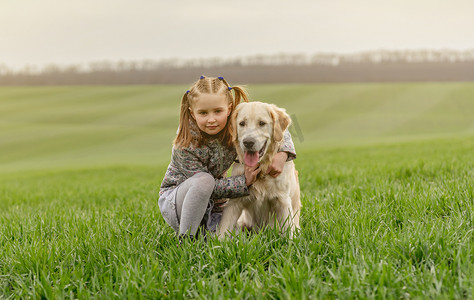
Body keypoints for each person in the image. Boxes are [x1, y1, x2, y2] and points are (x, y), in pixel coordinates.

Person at [158, 75, 296, 239]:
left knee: (237, 241)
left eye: (217, 111)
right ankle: (186, 238)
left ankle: (205, 235)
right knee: (204, 181)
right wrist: (243, 182)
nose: (211, 119)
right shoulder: (186, 143)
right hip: (180, 203)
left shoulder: (235, 124)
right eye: (203, 112)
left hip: (215, 206)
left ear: (229, 110)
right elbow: (207, 189)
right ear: (192, 113)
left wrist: (283, 154)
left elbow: (276, 125)